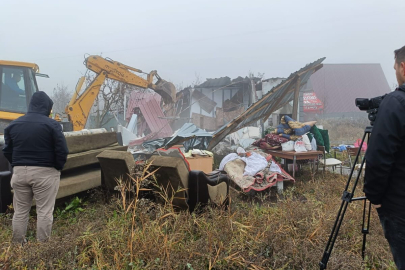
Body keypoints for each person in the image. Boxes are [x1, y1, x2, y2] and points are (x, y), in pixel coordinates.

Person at [3, 91, 69, 244]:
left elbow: (7, 150)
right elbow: (62, 150)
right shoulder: (52, 125)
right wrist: (57, 167)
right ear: (47, 107)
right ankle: (42, 248)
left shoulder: (13, 125)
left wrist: (17, 164)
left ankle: (17, 245)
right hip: (45, 173)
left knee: (20, 212)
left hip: (19, 173)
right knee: (44, 212)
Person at [364, 45, 405, 269]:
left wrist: (374, 196)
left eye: (395, 69)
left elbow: (378, 159)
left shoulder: (395, 104)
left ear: (403, 67)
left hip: (399, 208)